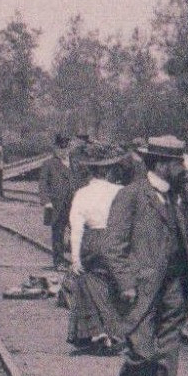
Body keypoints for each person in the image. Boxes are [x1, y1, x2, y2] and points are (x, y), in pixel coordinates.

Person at [102, 136, 188, 376]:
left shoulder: (176, 197)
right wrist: (126, 284)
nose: (185, 168)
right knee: (142, 354)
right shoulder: (131, 196)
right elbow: (113, 246)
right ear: (161, 164)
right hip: (142, 290)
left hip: (175, 285)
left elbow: (182, 233)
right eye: (178, 163)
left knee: (167, 355)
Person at [67, 143, 127, 353]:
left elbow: (76, 228)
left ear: (91, 171)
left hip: (92, 242)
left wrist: (75, 258)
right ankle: (117, 330)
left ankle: (98, 330)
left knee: (90, 281)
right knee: (117, 285)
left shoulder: (81, 194)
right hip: (117, 240)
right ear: (110, 170)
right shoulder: (121, 191)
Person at [39, 134, 78, 269]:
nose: (63, 151)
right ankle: (59, 262)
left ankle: (77, 261)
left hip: (75, 204)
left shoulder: (75, 164)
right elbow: (43, 184)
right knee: (58, 233)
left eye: (66, 148)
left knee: (77, 232)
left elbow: (83, 181)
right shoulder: (49, 164)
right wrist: (46, 201)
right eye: (61, 148)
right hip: (57, 205)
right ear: (55, 149)